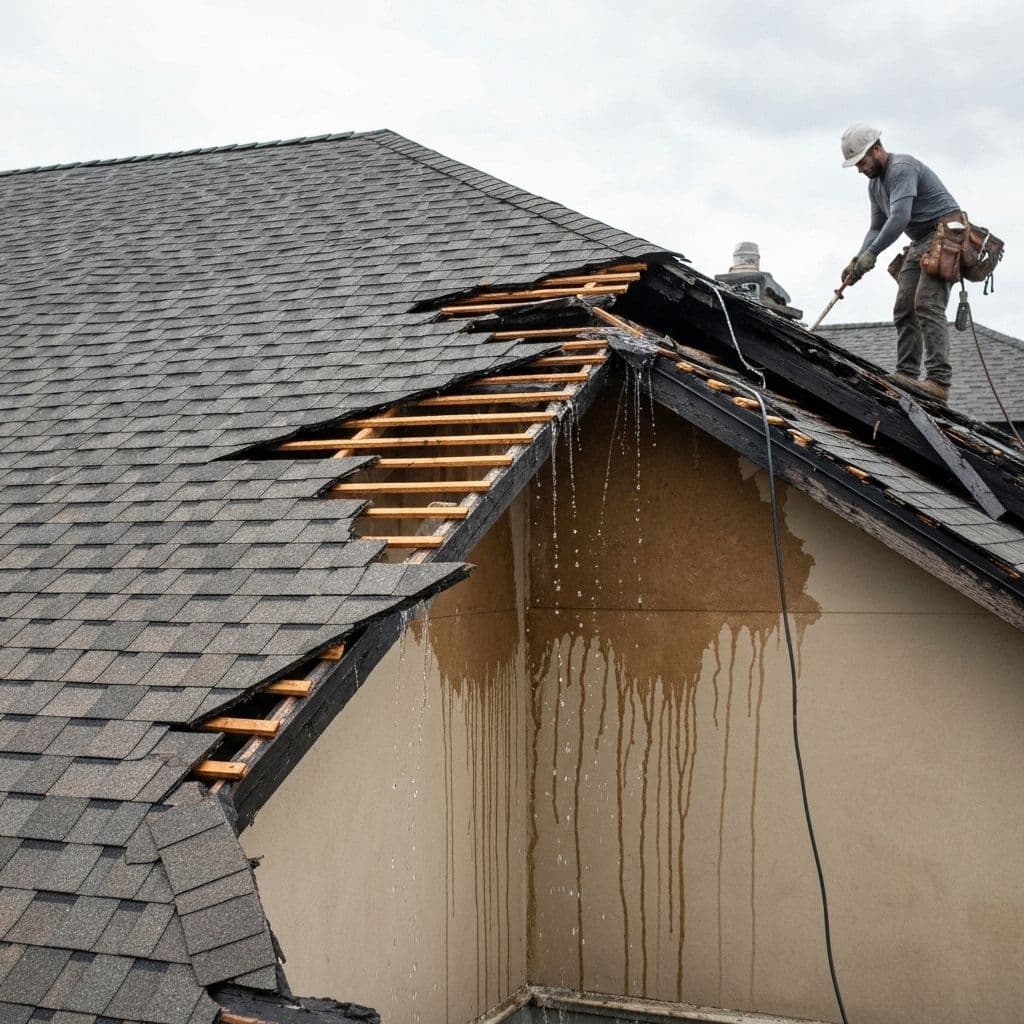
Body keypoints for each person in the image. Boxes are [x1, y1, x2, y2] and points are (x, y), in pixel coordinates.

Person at [839, 123, 961, 402]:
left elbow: (900, 217)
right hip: (921, 241)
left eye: (861, 162)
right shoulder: (874, 185)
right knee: (904, 307)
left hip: (945, 234)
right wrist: (858, 259)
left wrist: (872, 254)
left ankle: (938, 382)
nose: (860, 169)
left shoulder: (902, 168)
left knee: (927, 303)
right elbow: (876, 227)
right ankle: (907, 374)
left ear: (877, 149)